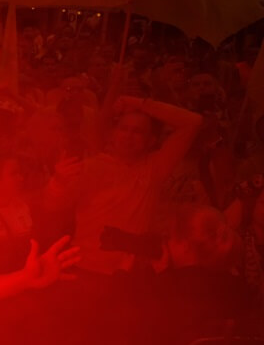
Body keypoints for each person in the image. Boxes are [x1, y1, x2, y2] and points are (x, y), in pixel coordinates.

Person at [47, 96, 202, 275]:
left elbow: (193, 122)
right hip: (86, 267)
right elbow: (53, 206)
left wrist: (139, 104)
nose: (128, 136)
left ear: (151, 140)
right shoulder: (91, 166)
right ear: (113, 134)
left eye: (137, 132)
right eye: (123, 129)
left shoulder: (154, 168)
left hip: (132, 272)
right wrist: (57, 182)